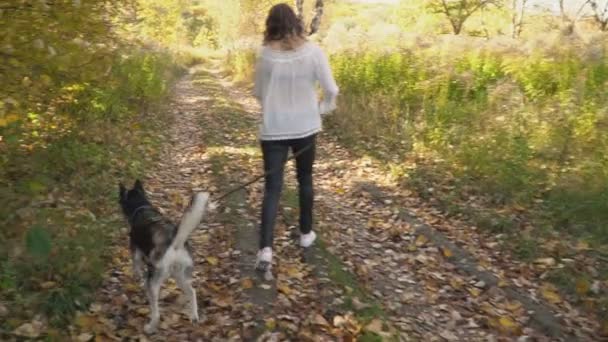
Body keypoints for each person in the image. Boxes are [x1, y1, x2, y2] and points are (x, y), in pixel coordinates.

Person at [253, 3, 339, 271]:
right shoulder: (313, 52)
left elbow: (258, 93)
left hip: (273, 129)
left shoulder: (265, 55)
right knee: (305, 180)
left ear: (271, 25)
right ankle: (305, 235)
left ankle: (265, 250)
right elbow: (331, 89)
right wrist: (320, 110)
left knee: (273, 189)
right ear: (296, 22)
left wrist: (274, 105)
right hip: (305, 128)